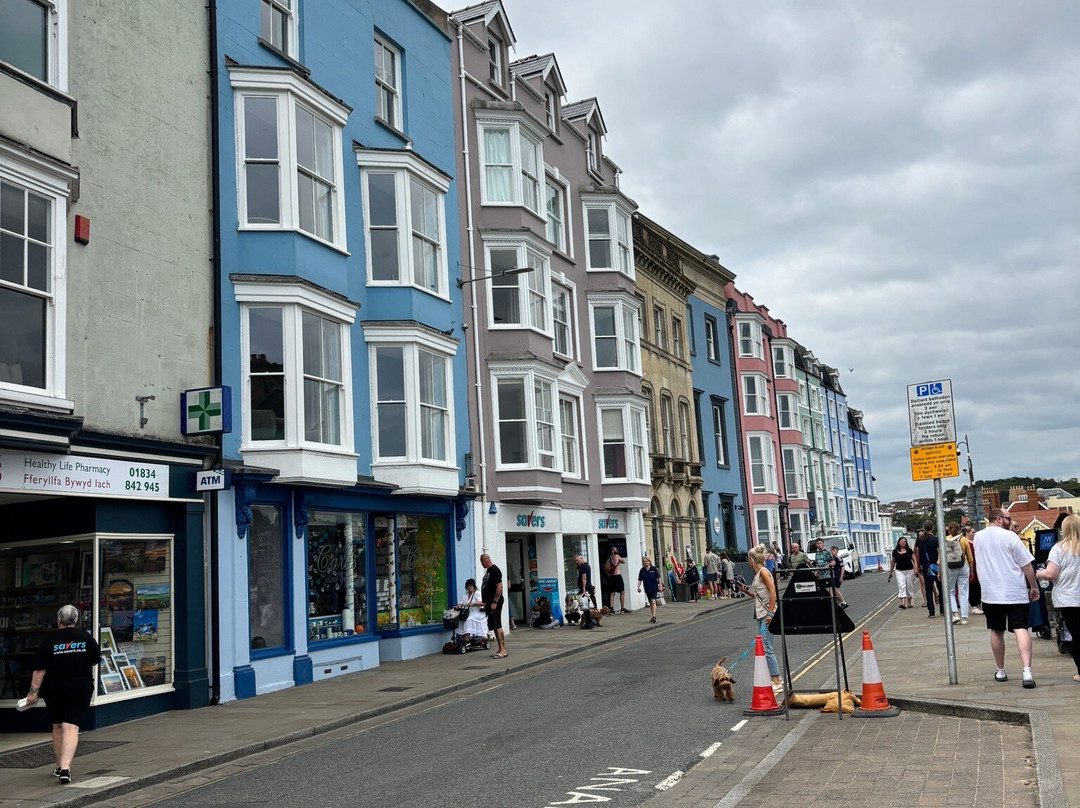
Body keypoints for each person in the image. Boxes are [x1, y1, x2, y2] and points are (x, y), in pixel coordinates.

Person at [24, 605, 101, 784]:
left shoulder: (50, 641)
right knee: (71, 727)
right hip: (80, 687)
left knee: (58, 726)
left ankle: (59, 766)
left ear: (59, 620)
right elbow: (95, 660)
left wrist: (33, 692)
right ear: (76, 620)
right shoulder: (86, 637)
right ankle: (66, 768)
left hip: (55, 689)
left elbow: (40, 670)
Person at [975, 508, 1040, 688]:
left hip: (990, 593)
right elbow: (1026, 565)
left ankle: (1000, 670)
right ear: (998, 518)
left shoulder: (978, 537)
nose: (1011, 522)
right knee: (1021, 629)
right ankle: (1027, 671)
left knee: (996, 631)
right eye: (1008, 518)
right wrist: (1034, 587)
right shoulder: (1010, 536)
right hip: (1014, 592)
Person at [1036, 514, 1080, 682]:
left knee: (1076, 634)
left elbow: (1051, 574)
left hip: (1068, 599)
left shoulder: (1059, 549)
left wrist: (1037, 573)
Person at [747, 545, 782, 689]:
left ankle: (776, 680)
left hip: (767, 614)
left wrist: (770, 613)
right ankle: (774, 677)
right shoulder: (757, 574)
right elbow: (759, 595)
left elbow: (773, 592)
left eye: (748, 559)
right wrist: (745, 591)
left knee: (767, 647)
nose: (748, 562)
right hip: (760, 614)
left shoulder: (763, 572)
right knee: (763, 646)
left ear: (752, 560)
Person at [945, 522, 974, 625]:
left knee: (950, 591)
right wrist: (971, 570)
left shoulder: (945, 540)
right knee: (963, 592)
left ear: (949, 529)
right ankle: (964, 617)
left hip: (950, 567)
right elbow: (970, 557)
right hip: (963, 566)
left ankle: (955, 613)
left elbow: (940, 558)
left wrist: (940, 571)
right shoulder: (963, 539)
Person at [480, 554, 507, 659]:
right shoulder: (489, 571)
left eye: (481, 562)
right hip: (489, 603)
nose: (481, 564)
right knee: (494, 625)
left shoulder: (494, 570)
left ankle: (503, 650)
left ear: (485, 561)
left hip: (495, 603)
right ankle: (500, 649)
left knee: (497, 624)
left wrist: (495, 602)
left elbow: (499, 586)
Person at [915, 522, 942, 618]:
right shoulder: (936, 539)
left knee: (928, 589)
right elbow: (939, 554)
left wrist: (918, 566)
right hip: (936, 566)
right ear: (932, 528)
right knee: (940, 588)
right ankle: (942, 609)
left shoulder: (919, 540)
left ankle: (931, 611)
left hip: (925, 566)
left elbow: (917, 554)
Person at [888, 536, 917, 609]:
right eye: (902, 541)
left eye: (905, 541)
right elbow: (893, 562)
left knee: (909, 585)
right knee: (901, 585)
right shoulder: (895, 551)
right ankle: (903, 603)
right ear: (899, 543)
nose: (903, 543)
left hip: (909, 570)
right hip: (899, 571)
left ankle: (909, 603)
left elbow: (914, 560)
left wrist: (916, 568)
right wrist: (891, 572)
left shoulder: (909, 550)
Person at [637, 556, 663, 622]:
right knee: (650, 602)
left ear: (649, 562)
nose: (645, 563)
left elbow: (659, 577)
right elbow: (640, 580)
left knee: (653, 601)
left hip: (654, 588)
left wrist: (660, 585)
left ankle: (654, 616)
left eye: (646, 561)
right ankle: (653, 616)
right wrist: (638, 587)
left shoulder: (653, 569)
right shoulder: (642, 570)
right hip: (647, 588)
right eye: (644, 562)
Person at [604, 546, 629, 614]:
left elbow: (606, 568)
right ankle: (622, 608)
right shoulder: (617, 556)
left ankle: (611, 608)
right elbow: (623, 561)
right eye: (615, 549)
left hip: (611, 577)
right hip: (617, 576)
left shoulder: (608, 558)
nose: (617, 550)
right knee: (622, 592)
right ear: (612, 550)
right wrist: (619, 560)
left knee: (612, 592)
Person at [966, 525, 984, 615]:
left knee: (978, 584)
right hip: (971, 565)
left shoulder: (975, 542)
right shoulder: (966, 542)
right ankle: (973, 605)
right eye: (972, 532)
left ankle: (978, 602)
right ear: (967, 533)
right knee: (972, 585)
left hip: (978, 565)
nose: (974, 534)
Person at [829, 545, 849, 609]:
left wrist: (841, 576)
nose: (832, 552)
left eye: (834, 550)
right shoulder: (831, 558)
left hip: (837, 575)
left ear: (837, 551)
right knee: (835, 590)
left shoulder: (838, 558)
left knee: (835, 589)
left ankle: (843, 602)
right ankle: (840, 603)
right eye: (831, 550)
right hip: (833, 575)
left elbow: (842, 567)